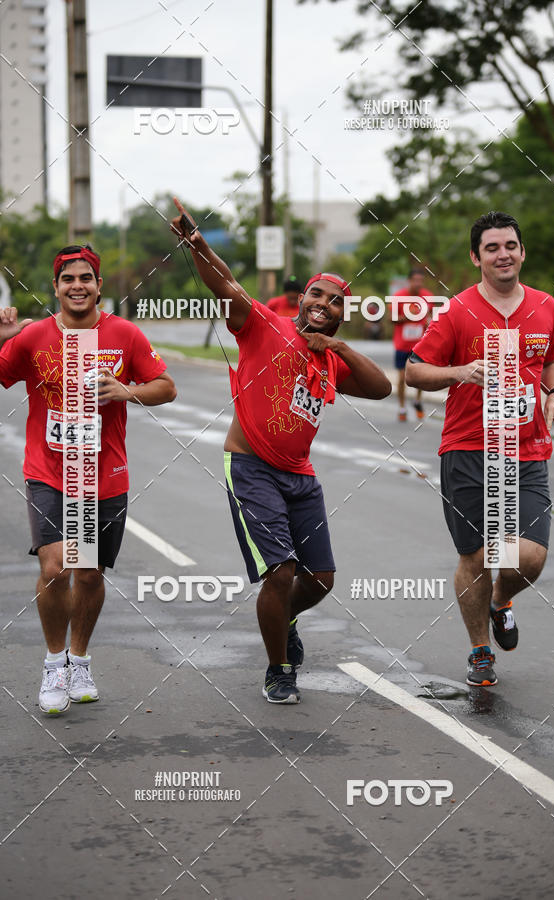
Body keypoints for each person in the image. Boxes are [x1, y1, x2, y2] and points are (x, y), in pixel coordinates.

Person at [171, 198, 391, 704]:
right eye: (317, 293)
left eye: (335, 301)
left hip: (300, 475)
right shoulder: (265, 326)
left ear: (341, 315)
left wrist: (336, 349)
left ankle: (286, 616)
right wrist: (198, 243)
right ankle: (279, 668)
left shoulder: (331, 361)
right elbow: (226, 284)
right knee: (281, 571)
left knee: (321, 579)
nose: (324, 303)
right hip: (250, 467)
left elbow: (380, 388)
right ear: (302, 299)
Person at [0, 244, 177, 714]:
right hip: (49, 472)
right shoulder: (33, 336)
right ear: (55, 287)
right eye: (68, 278)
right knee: (55, 569)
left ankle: (80, 659)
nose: (78, 285)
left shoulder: (123, 334)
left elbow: (166, 386)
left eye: (86, 278)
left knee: (89, 573)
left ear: (98, 285)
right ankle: (55, 664)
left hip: (102, 475)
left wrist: (127, 390)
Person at [406, 211, 554, 687]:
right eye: (493, 247)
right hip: (469, 449)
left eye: (511, 245)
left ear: (523, 252)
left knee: (530, 556)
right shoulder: (457, 311)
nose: (504, 254)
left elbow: (552, 360)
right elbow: (415, 372)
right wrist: (459, 372)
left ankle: (500, 600)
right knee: (475, 556)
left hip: (527, 450)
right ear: (476, 257)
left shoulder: (545, 306)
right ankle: (480, 650)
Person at [392, 268, 433, 421]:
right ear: (409, 281)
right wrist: (409, 315)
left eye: (420, 281)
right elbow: (392, 318)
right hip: (402, 345)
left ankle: (417, 400)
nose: (418, 284)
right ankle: (402, 407)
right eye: (415, 280)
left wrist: (429, 320)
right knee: (403, 377)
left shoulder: (428, 297)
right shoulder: (399, 297)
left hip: (420, 344)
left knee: (421, 377)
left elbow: (432, 317)